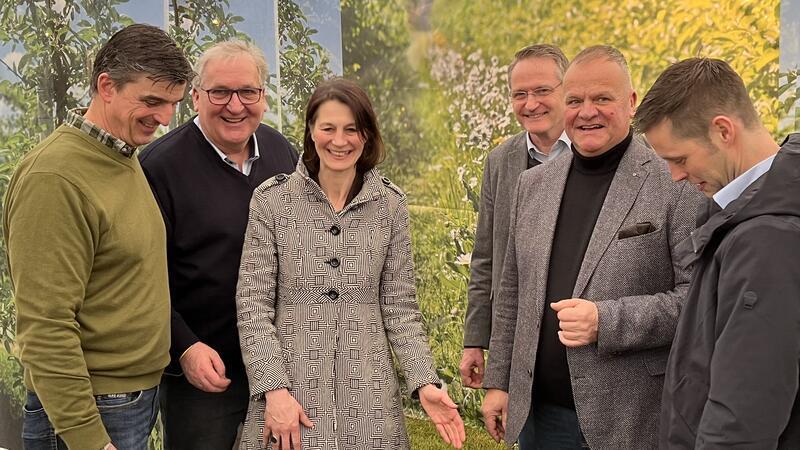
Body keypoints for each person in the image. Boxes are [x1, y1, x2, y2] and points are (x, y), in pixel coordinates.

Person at [480, 45, 703, 449]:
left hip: (630, 420)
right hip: (541, 418)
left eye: (602, 98)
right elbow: (513, 294)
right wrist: (499, 382)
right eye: (575, 100)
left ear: (631, 102)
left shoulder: (674, 183)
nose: (587, 112)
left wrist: (607, 320)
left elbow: (698, 300)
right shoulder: (532, 186)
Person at [235, 78, 465, 450]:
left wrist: (425, 382)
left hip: (370, 397)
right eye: (328, 128)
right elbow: (253, 306)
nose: (339, 141)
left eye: (351, 130)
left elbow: (400, 308)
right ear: (311, 132)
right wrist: (273, 390)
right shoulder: (272, 201)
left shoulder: (390, 205)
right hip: (291, 393)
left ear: (367, 136)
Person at [3, 24, 192, 450]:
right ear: (106, 86)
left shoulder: (120, 155)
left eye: (173, 104)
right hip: (92, 411)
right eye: (151, 101)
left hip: (129, 401)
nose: (164, 118)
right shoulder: (56, 178)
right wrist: (89, 439)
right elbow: (45, 326)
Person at [139, 40, 298, 449]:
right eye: (220, 92)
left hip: (281, 363)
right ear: (195, 96)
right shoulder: (158, 167)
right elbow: (141, 279)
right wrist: (185, 347)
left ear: (263, 95)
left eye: (248, 92)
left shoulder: (282, 151)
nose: (235, 105)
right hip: (206, 371)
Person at [634, 57, 800, 449]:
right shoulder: (748, 215)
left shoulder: (766, 237)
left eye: (679, 159)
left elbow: (743, 412)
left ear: (723, 130)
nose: (675, 176)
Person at [460, 44, 570, 389]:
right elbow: (485, 257)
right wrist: (474, 339)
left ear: (567, 91)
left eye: (542, 91)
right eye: (519, 94)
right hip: (522, 346)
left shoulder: (593, 152)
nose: (530, 103)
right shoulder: (501, 161)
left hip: (578, 339)